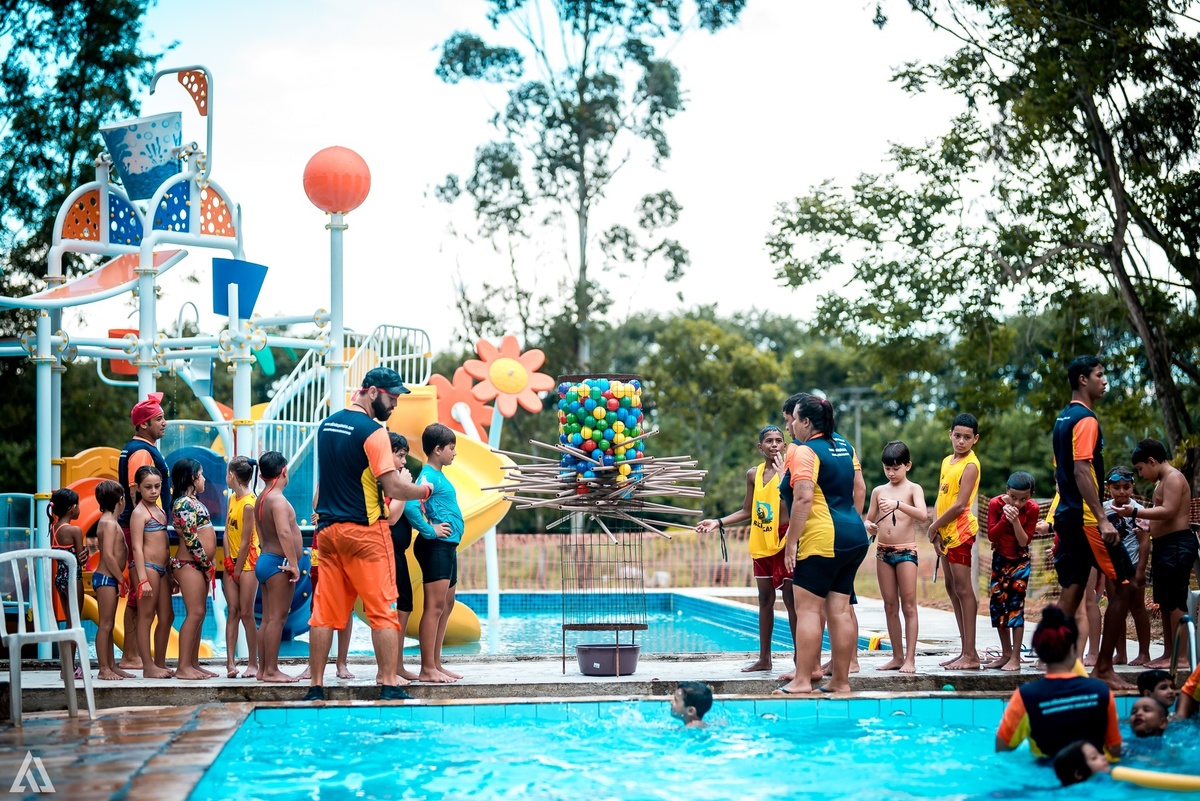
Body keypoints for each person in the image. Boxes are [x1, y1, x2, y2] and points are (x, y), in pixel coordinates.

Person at [306, 367, 429, 702]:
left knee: (324, 613)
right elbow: (392, 486)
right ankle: (389, 683)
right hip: (364, 532)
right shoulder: (374, 433)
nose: (395, 405)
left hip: (328, 532)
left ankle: (315, 687)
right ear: (373, 392)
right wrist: (422, 490)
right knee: (383, 610)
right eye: (392, 398)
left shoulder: (326, 426)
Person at [776, 393, 869, 695]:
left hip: (822, 538)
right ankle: (841, 682)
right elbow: (859, 487)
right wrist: (851, 519)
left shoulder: (805, 451)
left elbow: (802, 497)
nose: (790, 426)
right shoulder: (844, 445)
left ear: (806, 421)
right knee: (839, 610)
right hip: (854, 535)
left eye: (793, 420)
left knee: (809, 610)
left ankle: (803, 680)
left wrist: (791, 544)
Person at [1050, 355, 1132, 690]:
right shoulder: (1085, 419)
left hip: (1067, 515)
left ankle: (1055, 671)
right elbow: (1083, 469)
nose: (1104, 380)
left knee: (1070, 594)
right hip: (1086, 519)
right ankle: (1103, 668)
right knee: (1127, 587)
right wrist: (1103, 518)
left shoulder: (1062, 419)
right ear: (1083, 380)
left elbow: (1063, 471)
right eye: (1099, 375)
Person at [696, 425, 797, 673]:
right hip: (761, 540)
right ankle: (764, 658)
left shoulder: (791, 471)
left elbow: (800, 504)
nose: (774, 445)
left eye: (778, 441)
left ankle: (800, 660)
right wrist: (717, 522)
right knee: (765, 599)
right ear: (759, 447)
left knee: (791, 600)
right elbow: (747, 510)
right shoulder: (753, 474)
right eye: (769, 441)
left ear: (784, 445)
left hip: (784, 540)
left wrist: (786, 478)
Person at [996, 605, 1121, 761]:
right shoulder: (1101, 691)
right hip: (1096, 774)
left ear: (1038, 652)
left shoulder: (1026, 696)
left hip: (1047, 773)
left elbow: (1003, 746)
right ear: (1074, 649)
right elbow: (1115, 749)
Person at [1113, 438, 1197, 670]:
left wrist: (1136, 511)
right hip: (1165, 545)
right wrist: (1149, 525)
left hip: (1177, 545)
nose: (1140, 474)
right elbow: (1167, 515)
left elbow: (1170, 510)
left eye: (1140, 469)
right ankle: (1169, 652)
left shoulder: (1173, 478)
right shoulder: (1163, 481)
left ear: (1151, 461)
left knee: (1176, 600)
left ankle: (1181, 657)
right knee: (1166, 602)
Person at [116, 392, 171, 671]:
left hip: (145, 528)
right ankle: (130, 655)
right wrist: (150, 520)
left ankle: (134, 654)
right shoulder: (140, 452)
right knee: (140, 596)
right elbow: (139, 490)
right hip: (139, 530)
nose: (165, 422)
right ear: (143, 425)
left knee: (142, 598)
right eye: (158, 419)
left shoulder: (142, 447)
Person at [407, 422, 465, 684]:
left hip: (447, 547)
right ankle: (426, 668)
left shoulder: (438, 475)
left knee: (447, 604)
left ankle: (436, 663)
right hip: (436, 546)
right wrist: (430, 530)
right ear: (438, 449)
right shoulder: (428, 476)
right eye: (451, 448)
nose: (454, 453)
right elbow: (409, 505)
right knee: (434, 607)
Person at [863, 440, 925, 674]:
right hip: (883, 552)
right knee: (890, 606)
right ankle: (897, 657)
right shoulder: (879, 491)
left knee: (909, 606)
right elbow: (869, 518)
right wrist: (870, 527)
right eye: (887, 468)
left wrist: (898, 504)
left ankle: (910, 659)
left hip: (906, 551)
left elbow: (921, 514)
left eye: (896, 468)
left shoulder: (913, 489)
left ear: (907, 466)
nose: (891, 473)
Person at [928, 413, 982, 671]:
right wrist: (937, 531)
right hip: (945, 534)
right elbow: (942, 498)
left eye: (967, 437)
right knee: (951, 589)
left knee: (964, 590)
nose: (961, 441)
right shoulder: (946, 462)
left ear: (975, 439)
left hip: (961, 533)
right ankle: (964, 651)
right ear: (950, 434)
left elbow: (961, 505)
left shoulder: (970, 465)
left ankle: (971, 655)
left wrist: (933, 526)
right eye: (957, 435)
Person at [255, 451, 303, 683]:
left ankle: (263, 670)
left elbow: (263, 534)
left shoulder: (261, 498)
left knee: (267, 619)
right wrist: (293, 564)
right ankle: (272, 670)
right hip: (279, 564)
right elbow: (284, 532)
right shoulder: (278, 499)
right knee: (277, 619)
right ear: (284, 471)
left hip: (266, 559)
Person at [298, 486, 355, 682]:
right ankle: (314, 664)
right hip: (322, 547)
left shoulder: (357, 477)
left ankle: (342, 662)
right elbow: (316, 505)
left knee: (347, 608)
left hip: (347, 547)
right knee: (318, 608)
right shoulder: (328, 476)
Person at [984, 472, 1038, 671]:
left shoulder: (1032, 509)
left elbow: (1024, 541)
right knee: (998, 606)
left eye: (1023, 499)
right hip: (1000, 559)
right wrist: (1005, 518)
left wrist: (1014, 520)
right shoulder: (995, 504)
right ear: (1007, 491)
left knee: (1015, 607)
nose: (1017, 503)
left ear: (1030, 496)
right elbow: (991, 535)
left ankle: (1016, 657)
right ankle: (1006, 653)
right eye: (1013, 498)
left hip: (1020, 561)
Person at [170, 458, 218, 680]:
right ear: (192, 477)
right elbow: (191, 540)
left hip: (196, 565)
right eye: (202, 474)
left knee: (200, 614)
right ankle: (183, 667)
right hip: (190, 564)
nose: (205, 479)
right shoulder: (184, 504)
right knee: (195, 613)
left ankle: (193, 663)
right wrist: (207, 565)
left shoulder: (191, 501)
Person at [1103, 466, 1152, 666]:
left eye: (1127, 487)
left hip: (1132, 565)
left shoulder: (1138, 509)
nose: (1122, 491)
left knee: (1137, 608)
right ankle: (1120, 653)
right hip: (1112, 567)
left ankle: (1144, 653)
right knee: (1116, 608)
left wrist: (1141, 570)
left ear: (1133, 487)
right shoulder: (1104, 509)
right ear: (1109, 488)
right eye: (1117, 487)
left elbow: (1144, 542)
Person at [129, 465, 174, 679]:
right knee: (146, 616)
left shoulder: (161, 510)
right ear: (138, 488)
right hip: (147, 568)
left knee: (167, 616)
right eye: (148, 487)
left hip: (163, 569)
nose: (153, 491)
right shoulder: (139, 513)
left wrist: (171, 573)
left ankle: (160, 662)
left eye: (157, 486)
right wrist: (143, 579)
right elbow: (136, 547)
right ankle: (147, 666)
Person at [386, 433, 420, 683]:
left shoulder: (394, 481)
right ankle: (388, 669)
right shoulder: (385, 483)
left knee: (405, 606)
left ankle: (397, 665)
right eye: (399, 456)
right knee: (391, 610)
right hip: (385, 553)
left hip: (397, 553)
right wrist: (403, 488)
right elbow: (391, 518)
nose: (403, 462)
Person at [92, 480, 133, 680]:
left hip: (109, 578)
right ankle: (103, 669)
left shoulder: (110, 521)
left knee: (107, 624)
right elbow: (107, 555)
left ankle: (111, 665)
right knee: (106, 625)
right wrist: (120, 579)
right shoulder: (108, 523)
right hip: (106, 578)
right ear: (120, 500)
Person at [222, 456, 259, 679]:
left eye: (227, 473)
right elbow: (227, 531)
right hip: (232, 563)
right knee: (232, 612)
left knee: (246, 613)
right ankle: (230, 663)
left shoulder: (248, 504)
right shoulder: (233, 499)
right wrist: (227, 559)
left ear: (232, 476)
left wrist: (236, 569)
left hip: (248, 564)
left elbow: (246, 541)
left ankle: (253, 663)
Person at [48, 488, 86, 679]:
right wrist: (85, 553)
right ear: (72, 508)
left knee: (68, 624)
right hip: (73, 579)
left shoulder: (54, 529)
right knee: (74, 623)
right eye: (78, 505)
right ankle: (68, 669)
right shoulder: (74, 530)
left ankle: (67, 666)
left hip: (59, 579)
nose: (79, 508)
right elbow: (81, 561)